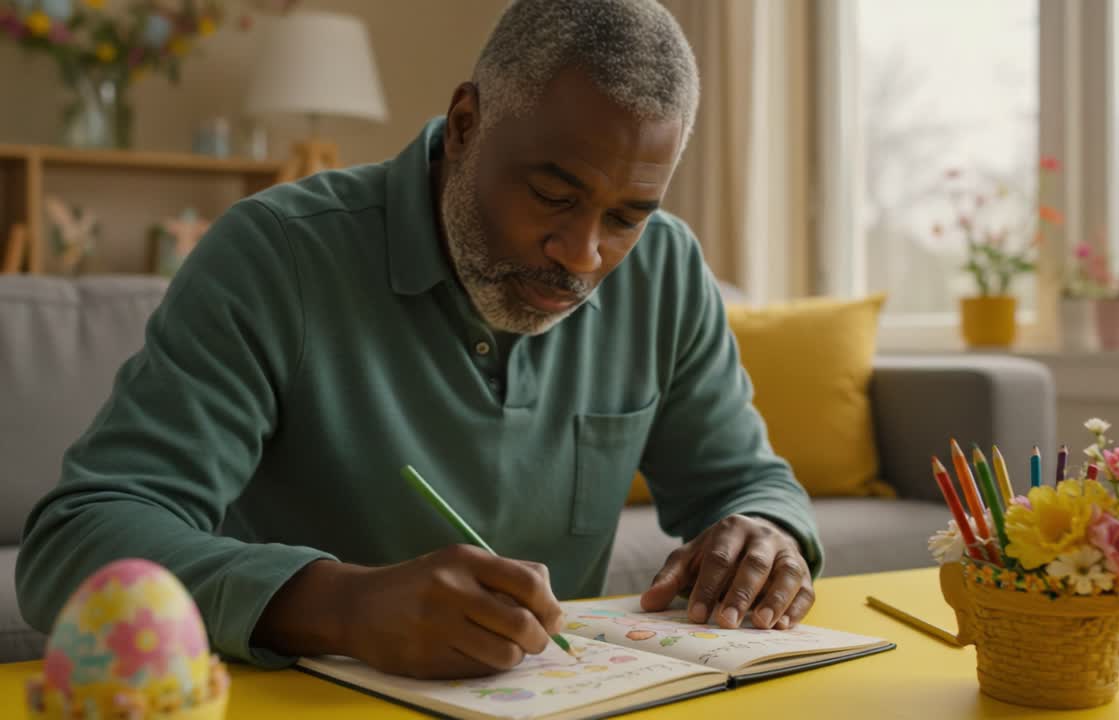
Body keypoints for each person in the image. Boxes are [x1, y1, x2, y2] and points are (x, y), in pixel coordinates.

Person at [16, 0, 824, 681]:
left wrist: (767, 532)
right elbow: (73, 542)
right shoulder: (277, 255)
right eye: (552, 194)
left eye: (624, 219)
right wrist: (339, 605)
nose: (583, 256)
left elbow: (749, 483)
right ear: (467, 123)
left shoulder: (668, 269)